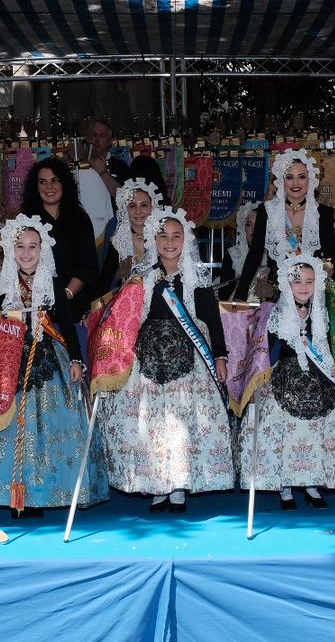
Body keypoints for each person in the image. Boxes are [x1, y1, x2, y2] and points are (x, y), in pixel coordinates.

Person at [0, 215, 108, 517]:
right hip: (7, 361)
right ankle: (10, 492)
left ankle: (40, 493)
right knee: (7, 426)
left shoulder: (53, 284)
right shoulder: (0, 287)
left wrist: (77, 360)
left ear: (43, 250)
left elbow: (66, 325)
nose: (26, 253)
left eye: (33, 247)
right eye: (20, 247)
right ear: (10, 249)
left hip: (48, 359)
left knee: (45, 428)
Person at [98, 208, 233, 514]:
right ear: (153, 240)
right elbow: (129, 319)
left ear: (185, 240)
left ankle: (178, 486)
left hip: (189, 364)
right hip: (149, 363)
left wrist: (221, 356)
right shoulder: (142, 278)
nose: (170, 242)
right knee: (152, 425)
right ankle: (157, 486)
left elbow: (212, 321)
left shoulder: (198, 280)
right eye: (163, 236)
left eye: (176, 236)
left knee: (182, 424)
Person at [237, 255, 335, 510]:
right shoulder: (276, 312)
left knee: (322, 428)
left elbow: (329, 348)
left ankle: (312, 483)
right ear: (287, 283)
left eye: (309, 281)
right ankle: (284, 486)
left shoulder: (322, 312)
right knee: (281, 428)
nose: (304, 287)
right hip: (285, 375)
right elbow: (262, 348)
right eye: (297, 282)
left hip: (319, 376)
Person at [233, 150, 335, 301]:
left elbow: (332, 256)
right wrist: (240, 296)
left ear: (310, 179)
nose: (295, 183)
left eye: (301, 177)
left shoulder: (322, 213)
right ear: (281, 181)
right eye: (289, 177)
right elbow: (254, 256)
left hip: (311, 292)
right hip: (275, 293)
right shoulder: (267, 211)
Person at [22, 156, 97, 309]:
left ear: (64, 184)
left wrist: (67, 294)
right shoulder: (26, 221)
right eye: (43, 182)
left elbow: (88, 266)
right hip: (36, 303)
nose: (49, 187)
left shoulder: (80, 218)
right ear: (35, 187)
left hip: (74, 302)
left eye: (55, 180)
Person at [96, 177, 164, 300]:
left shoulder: (163, 238)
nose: (138, 211)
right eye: (132, 205)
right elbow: (106, 280)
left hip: (161, 300)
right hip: (127, 303)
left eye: (144, 205)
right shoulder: (119, 241)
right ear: (125, 209)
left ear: (152, 207)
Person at [221, 200, 265, 301]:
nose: (254, 231)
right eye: (249, 225)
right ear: (242, 227)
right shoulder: (233, 255)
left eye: (259, 226)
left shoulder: (272, 255)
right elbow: (224, 294)